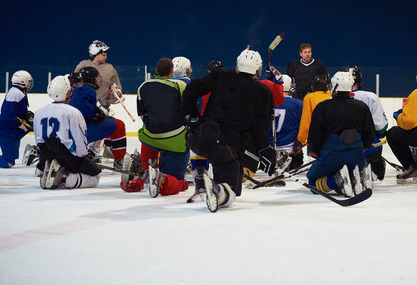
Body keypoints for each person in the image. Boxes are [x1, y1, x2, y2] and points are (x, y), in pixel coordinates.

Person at [181, 48, 275, 211]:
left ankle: (199, 174)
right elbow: (260, 128)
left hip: (199, 137)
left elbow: (191, 89)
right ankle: (218, 189)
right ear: (258, 69)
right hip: (226, 147)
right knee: (230, 192)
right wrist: (266, 150)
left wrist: (192, 116)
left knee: (210, 152)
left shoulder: (220, 75)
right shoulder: (263, 92)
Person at [120, 58, 189, 197]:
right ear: (171, 72)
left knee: (146, 135)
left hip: (150, 139)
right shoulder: (180, 86)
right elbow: (189, 111)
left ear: (156, 71)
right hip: (175, 141)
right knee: (178, 182)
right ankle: (162, 179)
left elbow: (142, 115)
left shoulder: (143, 86)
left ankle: (144, 175)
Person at [306, 71, 375, 196]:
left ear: (334, 86)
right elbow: (369, 135)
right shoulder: (362, 106)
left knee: (312, 182)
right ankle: (357, 176)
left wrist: (315, 152)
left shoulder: (323, 107)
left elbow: (315, 136)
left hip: (331, 156)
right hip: (356, 155)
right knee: (349, 167)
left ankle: (337, 179)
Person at [34, 75, 101, 189]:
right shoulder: (73, 112)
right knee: (95, 177)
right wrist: (84, 157)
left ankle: (49, 171)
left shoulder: (39, 112)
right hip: (67, 156)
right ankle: (62, 178)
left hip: (46, 155)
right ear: (68, 92)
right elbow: (79, 140)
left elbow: (39, 140)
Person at [68, 67, 128, 170]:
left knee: (109, 121)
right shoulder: (88, 89)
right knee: (119, 125)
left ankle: (89, 152)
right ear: (91, 79)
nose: (98, 80)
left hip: (70, 132)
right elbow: (81, 104)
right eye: (96, 77)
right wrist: (94, 114)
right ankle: (119, 160)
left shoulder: (76, 90)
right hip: (83, 131)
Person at [346, 66, 388, 181]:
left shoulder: (332, 99)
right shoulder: (371, 97)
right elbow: (380, 127)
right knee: (378, 170)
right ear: (359, 80)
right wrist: (378, 136)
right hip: (369, 148)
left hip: (342, 149)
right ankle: (372, 169)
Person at [0, 71, 34, 168]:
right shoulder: (16, 93)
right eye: (28, 81)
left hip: (10, 131)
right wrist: (21, 125)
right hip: (6, 132)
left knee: (12, 158)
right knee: (8, 162)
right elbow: (8, 116)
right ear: (22, 82)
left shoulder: (18, 92)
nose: (30, 84)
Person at [74, 40, 122, 108]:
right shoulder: (83, 65)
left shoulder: (110, 68)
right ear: (95, 53)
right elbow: (73, 83)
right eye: (103, 55)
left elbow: (118, 85)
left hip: (103, 107)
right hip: (84, 105)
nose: (106, 57)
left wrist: (116, 93)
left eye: (106, 55)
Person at [270, 74, 303, 170]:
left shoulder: (267, 102)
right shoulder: (298, 103)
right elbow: (303, 126)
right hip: (290, 149)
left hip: (269, 149)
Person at [296, 73, 331, 148]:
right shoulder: (332, 96)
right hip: (333, 138)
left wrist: (301, 140)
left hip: (316, 138)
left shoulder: (309, 97)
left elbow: (306, 120)